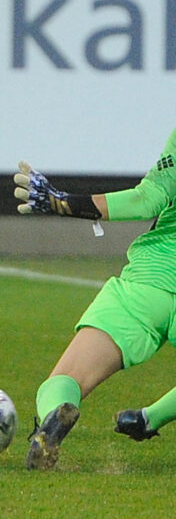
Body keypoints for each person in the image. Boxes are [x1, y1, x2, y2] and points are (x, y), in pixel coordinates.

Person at [13, 129, 176, 469]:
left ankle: (52, 421)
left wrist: (63, 202)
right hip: (152, 280)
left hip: (148, 284)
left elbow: (145, 199)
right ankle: (150, 418)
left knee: (68, 377)